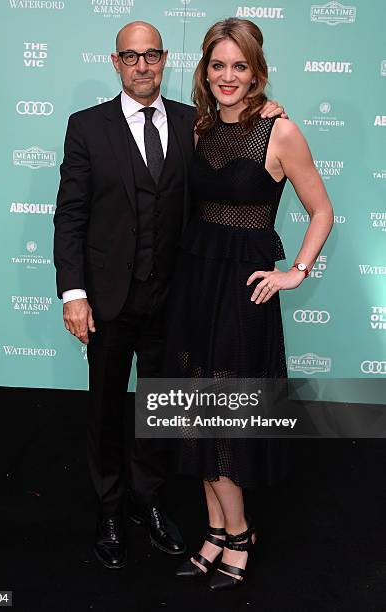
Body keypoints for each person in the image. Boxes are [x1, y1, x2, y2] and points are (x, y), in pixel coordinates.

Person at [53, 20, 285, 570]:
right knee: (108, 409)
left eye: (152, 55)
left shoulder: (192, 124)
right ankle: (110, 509)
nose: (142, 65)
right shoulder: (86, 126)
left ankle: (147, 499)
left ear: (164, 61)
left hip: (179, 301)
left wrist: (268, 110)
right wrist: (74, 293)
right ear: (116, 63)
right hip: (108, 300)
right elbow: (71, 217)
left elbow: (241, 135)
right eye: (130, 57)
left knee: (162, 411)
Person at [163, 18, 334, 590]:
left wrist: (294, 273)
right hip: (193, 281)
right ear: (204, 70)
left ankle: (238, 533)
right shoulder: (198, 127)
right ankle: (215, 528)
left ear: (256, 71)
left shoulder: (278, 131)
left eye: (240, 66)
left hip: (242, 289)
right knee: (192, 407)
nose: (228, 76)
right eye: (218, 65)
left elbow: (322, 211)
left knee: (223, 416)